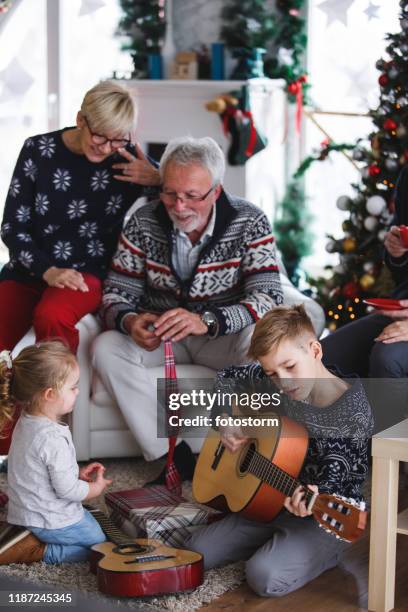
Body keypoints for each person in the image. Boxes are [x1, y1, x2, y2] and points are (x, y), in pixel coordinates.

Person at [93, 136, 283, 483]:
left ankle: (243, 452)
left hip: (224, 337)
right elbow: (115, 293)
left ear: (215, 190)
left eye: (192, 196)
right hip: (165, 337)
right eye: (169, 193)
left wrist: (208, 321)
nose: (179, 206)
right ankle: (173, 455)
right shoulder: (143, 222)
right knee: (106, 347)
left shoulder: (249, 220)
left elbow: (269, 296)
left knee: (263, 339)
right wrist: (129, 319)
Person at [186, 304, 373, 598]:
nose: (283, 381)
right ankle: (270, 537)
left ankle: (326, 552)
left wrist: (315, 497)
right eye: (271, 372)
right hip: (265, 495)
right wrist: (225, 422)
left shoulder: (353, 415)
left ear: (314, 351)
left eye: (290, 366)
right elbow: (228, 376)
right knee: (197, 551)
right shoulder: (278, 379)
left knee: (264, 576)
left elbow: (337, 482)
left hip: (321, 514)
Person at [0, 79, 159, 355]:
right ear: (80, 120)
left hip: (88, 272)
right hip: (28, 268)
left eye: (117, 138)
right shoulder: (38, 150)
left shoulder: (126, 158)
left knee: (52, 316)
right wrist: (47, 271)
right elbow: (12, 228)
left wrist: (158, 177)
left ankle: (56, 395)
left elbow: (190, 192)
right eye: (99, 136)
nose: (106, 147)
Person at [0, 341, 111, 565]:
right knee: (101, 546)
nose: (77, 391)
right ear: (49, 394)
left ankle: (31, 535)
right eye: (72, 387)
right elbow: (68, 490)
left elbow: (39, 468)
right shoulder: (52, 437)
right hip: (49, 518)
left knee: (93, 522)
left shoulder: (27, 421)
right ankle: (38, 550)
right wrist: (94, 488)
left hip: (26, 512)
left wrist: (74, 472)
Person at [322, 166, 408, 427]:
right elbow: (399, 268)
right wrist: (396, 253)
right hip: (401, 306)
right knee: (319, 358)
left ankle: (387, 461)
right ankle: (340, 458)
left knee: (387, 358)